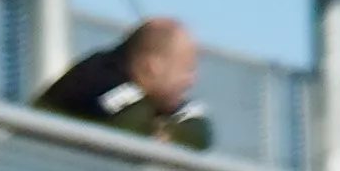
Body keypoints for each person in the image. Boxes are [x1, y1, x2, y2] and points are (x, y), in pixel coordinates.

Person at [30, 16, 211, 154]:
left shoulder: (152, 95)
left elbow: (199, 131)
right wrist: (162, 132)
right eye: (186, 69)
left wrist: (167, 134)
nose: (190, 80)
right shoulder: (98, 79)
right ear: (152, 67)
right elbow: (133, 131)